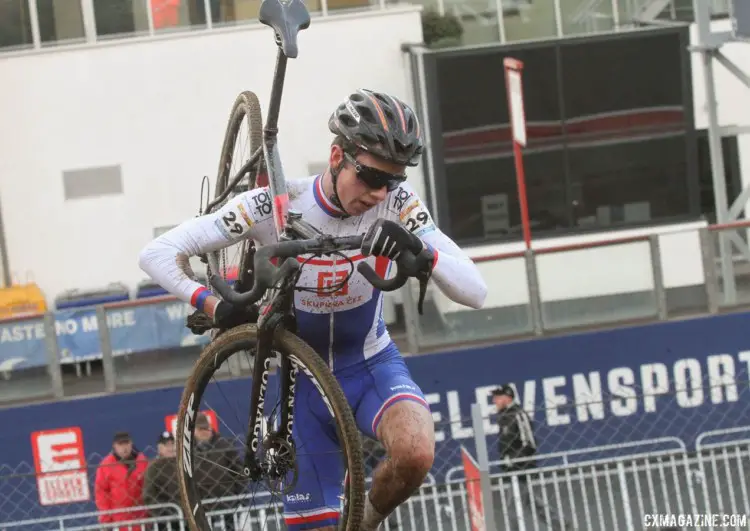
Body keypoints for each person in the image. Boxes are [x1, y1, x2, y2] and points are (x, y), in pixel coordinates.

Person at [138, 88, 487, 531]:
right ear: (337, 155)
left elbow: (476, 292)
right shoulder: (276, 206)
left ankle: (360, 522)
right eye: (371, 177)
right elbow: (157, 253)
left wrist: (424, 253)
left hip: (371, 365)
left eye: (393, 181)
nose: (380, 193)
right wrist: (210, 303)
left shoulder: (400, 205)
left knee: (416, 451)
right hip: (301, 387)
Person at [491, 385, 569, 531]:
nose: (494, 400)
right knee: (532, 502)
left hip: (521, 468)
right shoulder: (503, 416)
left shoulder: (518, 414)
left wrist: (515, 460)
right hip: (511, 469)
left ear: (507, 397)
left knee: (513, 506)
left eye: (497, 396)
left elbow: (530, 442)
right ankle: (562, 525)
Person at [95, 431, 150, 531]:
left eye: (127, 443)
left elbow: (149, 487)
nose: (124, 448)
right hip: (119, 519)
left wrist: (150, 513)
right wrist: (106, 518)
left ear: (131, 443)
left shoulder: (142, 461)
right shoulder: (106, 465)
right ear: (114, 446)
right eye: (120, 444)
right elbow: (101, 492)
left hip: (141, 516)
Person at [143, 431, 179, 530]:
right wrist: (166, 512)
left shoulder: (183, 463)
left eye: (172, 444)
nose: (170, 448)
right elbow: (149, 495)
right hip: (166, 520)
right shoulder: (153, 468)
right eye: (166, 445)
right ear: (159, 448)